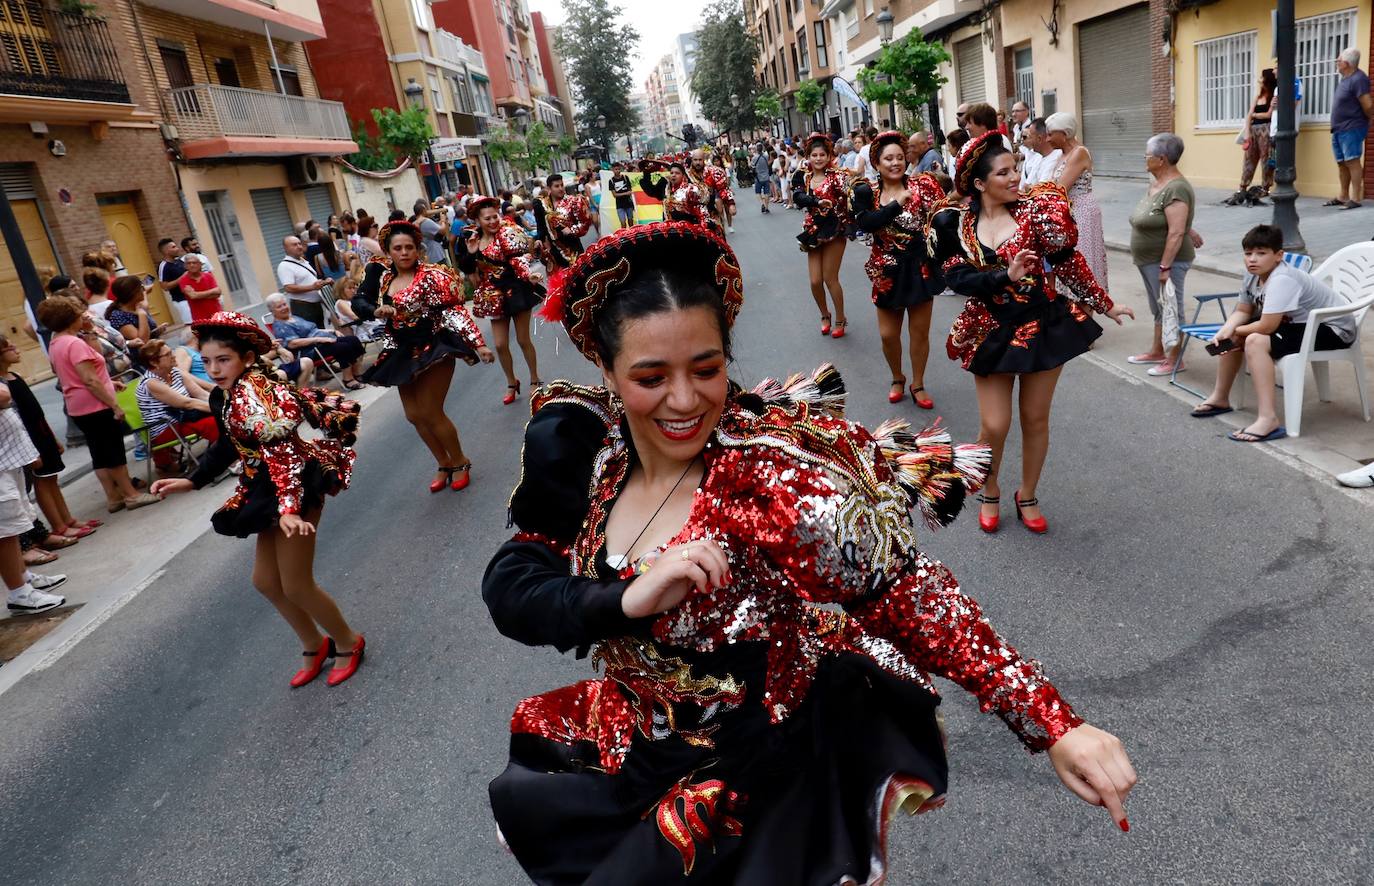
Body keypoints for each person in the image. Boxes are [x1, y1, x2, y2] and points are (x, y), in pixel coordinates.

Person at [484, 220, 1137, 883]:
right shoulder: (587, 450)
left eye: (706, 369)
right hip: (633, 749)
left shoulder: (765, 474)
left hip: (756, 777)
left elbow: (906, 593)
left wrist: (1054, 722)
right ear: (605, 366)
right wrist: (622, 598)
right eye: (651, 377)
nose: (684, 400)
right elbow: (514, 583)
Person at [930, 133, 1134, 534]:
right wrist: (1003, 276)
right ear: (978, 183)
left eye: (1016, 168)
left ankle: (1027, 493)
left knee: (1035, 418)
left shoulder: (1035, 213)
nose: (1014, 177)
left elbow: (1068, 260)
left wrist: (1105, 303)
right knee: (995, 424)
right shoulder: (954, 223)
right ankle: (990, 489)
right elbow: (956, 277)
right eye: (1003, 172)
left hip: (1041, 324)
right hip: (988, 328)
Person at [151, 312, 366, 688]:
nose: (215, 369)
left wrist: (288, 509)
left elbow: (283, 455)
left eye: (224, 360)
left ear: (247, 358)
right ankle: (314, 644)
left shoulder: (263, 395)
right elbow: (226, 446)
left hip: (298, 482)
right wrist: (193, 480)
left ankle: (348, 641)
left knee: (297, 584)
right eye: (209, 361)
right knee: (266, 582)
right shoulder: (225, 394)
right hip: (264, 488)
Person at [352, 220, 493, 489]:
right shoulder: (380, 274)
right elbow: (359, 301)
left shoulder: (432, 276)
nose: (404, 253)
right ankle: (444, 462)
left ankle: (461, 460)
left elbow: (453, 311)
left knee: (430, 411)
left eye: (409, 247)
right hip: (399, 349)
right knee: (414, 415)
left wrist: (478, 344)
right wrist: (375, 311)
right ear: (388, 251)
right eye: (398, 248)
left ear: (418, 250)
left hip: (435, 345)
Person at [1190, 225, 1356, 442]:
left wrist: (1236, 332)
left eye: (1261, 253)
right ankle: (1220, 398)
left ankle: (1268, 419)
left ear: (1278, 256)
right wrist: (1226, 331)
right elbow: (1243, 310)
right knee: (1235, 335)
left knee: (1255, 340)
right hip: (1298, 326)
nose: (1253, 259)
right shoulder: (1252, 276)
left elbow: (1267, 326)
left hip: (1333, 330)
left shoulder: (1282, 279)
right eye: (1248, 253)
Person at [36, 297, 161, 513]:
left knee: (99, 453)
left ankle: (114, 497)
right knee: (113, 451)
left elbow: (73, 375)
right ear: (69, 318)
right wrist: (114, 405)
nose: (82, 317)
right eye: (78, 314)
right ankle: (131, 495)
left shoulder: (56, 343)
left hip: (78, 406)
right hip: (95, 405)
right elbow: (90, 380)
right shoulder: (74, 343)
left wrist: (109, 383)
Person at [852, 131, 947, 408]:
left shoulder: (924, 186)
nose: (895, 163)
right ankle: (897, 377)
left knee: (919, 333)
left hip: (920, 268)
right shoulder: (866, 192)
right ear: (877, 163)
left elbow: (941, 217)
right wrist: (896, 204)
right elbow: (866, 224)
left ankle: (918, 383)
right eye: (888, 158)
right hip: (886, 271)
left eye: (899, 157)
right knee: (887, 334)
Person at [0, 335, 98, 546]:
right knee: (42, 480)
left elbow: (36, 413)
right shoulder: (3, 385)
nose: (16, 348)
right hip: (28, 438)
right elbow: (16, 417)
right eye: (9, 346)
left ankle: (67, 519)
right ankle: (58, 525)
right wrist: (30, 449)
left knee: (52, 477)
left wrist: (53, 437)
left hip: (41, 431)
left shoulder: (15, 375)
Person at [452, 199, 542, 408]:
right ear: (478, 220)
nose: (493, 221)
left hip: (516, 289)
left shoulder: (507, 232)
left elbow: (519, 258)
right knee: (500, 344)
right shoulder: (471, 238)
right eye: (488, 218)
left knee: (522, 339)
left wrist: (528, 275)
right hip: (492, 295)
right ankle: (512, 382)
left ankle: (535, 379)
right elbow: (466, 266)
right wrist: (472, 252)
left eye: (495, 216)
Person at [1128, 133, 1197, 377]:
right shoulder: (1158, 183)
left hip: (1167, 260)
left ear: (1162, 159)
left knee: (1171, 307)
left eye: (1147, 156)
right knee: (1159, 307)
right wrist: (1191, 229)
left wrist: (1165, 267)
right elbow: (1169, 220)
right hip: (1150, 259)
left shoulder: (1176, 187)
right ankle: (1158, 351)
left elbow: (1176, 232)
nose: (1144, 160)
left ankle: (1175, 358)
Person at [0, 376, 68, 615]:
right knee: (5, 533)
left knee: (14, 527)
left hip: (7, 461)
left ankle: (23, 578)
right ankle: (19, 593)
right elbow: (3, 395)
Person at [791, 133, 851, 341]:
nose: (818, 158)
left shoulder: (837, 176)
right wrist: (817, 202)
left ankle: (841, 318)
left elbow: (849, 196)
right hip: (813, 230)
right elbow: (798, 198)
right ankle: (825, 314)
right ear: (808, 156)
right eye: (814, 155)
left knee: (829, 278)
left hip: (834, 230)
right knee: (815, 281)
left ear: (828, 156)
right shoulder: (803, 176)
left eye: (822, 155)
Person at [1046, 112, 1109, 294]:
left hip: (1081, 212)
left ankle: (1084, 309)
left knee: (1082, 260)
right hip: (1070, 212)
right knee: (1068, 260)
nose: (1048, 139)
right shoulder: (1062, 155)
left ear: (1064, 134)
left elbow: (1060, 189)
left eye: (1051, 134)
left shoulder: (1079, 153)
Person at [134, 340, 219, 471]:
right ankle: (229, 459)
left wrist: (223, 403)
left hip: (182, 418)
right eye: (168, 354)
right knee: (212, 422)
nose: (173, 356)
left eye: (171, 352)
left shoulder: (174, 372)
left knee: (220, 416)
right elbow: (187, 403)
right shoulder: (151, 383)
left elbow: (201, 394)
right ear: (154, 362)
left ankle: (226, 453)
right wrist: (220, 408)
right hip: (165, 427)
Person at [266, 293, 366, 391]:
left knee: (353, 340)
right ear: (273, 311)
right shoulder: (280, 326)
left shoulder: (294, 317)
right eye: (279, 307)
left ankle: (356, 373)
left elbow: (313, 330)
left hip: (321, 342)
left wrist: (332, 331)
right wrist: (319, 339)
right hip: (309, 351)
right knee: (343, 347)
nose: (284, 308)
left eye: (284, 304)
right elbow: (292, 343)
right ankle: (348, 380)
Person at [1326, 48, 1372, 209]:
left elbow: (1367, 104)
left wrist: (1367, 119)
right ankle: (1343, 196)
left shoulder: (1359, 79)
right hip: (1339, 128)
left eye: (1338, 61)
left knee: (1352, 160)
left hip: (1352, 127)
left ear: (1346, 63)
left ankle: (1356, 198)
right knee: (1342, 163)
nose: (1336, 64)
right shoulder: (1346, 79)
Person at [1232, 69, 1277, 200]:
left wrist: (1254, 115)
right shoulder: (1257, 97)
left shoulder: (1272, 97)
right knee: (1249, 159)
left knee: (1266, 159)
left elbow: (1268, 114)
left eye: (1262, 78)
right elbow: (1248, 116)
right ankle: (1243, 186)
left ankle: (1266, 187)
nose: (1260, 80)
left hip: (1266, 129)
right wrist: (1247, 133)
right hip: (1253, 130)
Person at [534, 174, 592, 271]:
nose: (561, 188)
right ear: (549, 188)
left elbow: (585, 223)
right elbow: (540, 226)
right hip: (554, 251)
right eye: (556, 186)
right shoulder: (541, 204)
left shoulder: (572, 201)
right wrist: (539, 239)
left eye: (562, 185)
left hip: (573, 248)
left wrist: (572, 230)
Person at [276, 235, 330, 327]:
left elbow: (308, 280)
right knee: (313, 337)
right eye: (294, 245)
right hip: (303, 308)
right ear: (286, 248)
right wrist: (312, 287)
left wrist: (323, 282)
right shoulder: (284, 266)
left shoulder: (303, 261)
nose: (299, 246)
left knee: (321, 333)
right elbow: (289, 288)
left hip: (315, 306)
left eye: (299, 244)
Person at [107, 274, 164, 350]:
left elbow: (148, 332)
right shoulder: (118, 315)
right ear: (132, 293)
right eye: (141, 288)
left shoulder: (138, 305)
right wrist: (142, 315)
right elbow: (142, 340)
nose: (144, 290)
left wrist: (156, 331)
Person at [175, 254, 224, 323]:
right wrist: (212, 292)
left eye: (194, 263)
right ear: (185, 266)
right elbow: (193, 296)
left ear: (200, 264)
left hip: (217, 315)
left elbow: (218, 293)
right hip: (200, 319)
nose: (192, 265)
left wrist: (197, 295)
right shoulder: (183, 280)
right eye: (189, 263)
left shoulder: (208, 276)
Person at [156, 238, 190, 326]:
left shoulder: (180, 261)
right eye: (174, 247)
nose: (177, 248)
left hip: (192, 296)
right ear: (167, 251)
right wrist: (182, 277)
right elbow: (165, 286)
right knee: (192, 326)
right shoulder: (164, 266)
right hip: (181, 300)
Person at [1019, 118, 1060, 189]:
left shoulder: (1056, 157)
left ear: (1039, 139)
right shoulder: (1038, 157)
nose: (1029, 141)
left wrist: (1030, 188)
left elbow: (1041, 189)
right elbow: (1026, 185)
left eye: (1030, 137)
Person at [411, 199, 450, 265]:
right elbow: (442, 231)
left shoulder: (414, 223)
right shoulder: (425, 221)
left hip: (428, 255)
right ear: (423, 210)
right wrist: (443, 221)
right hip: (436, 255)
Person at [609, 162, 637, 229]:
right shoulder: (611, 181)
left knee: (631, 221)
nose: (618, 171)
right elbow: (614, 195)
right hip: (619, 205)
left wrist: (628, 193)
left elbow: (630, 190)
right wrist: (625, 193)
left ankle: (632, 235)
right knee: (623, 223)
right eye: (616, 169)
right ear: (612, 170)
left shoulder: (625, 177)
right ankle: (624, 236)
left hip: (628, 203)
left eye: (619, 169)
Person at [751, 147, 773, 213]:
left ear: (757, 150)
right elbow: (768, 163)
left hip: (758, 177)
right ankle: (766, 207)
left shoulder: (754, 157)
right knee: (767, 192)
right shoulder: (766, 156)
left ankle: (762, 203)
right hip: (766, 176)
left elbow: (752, 166)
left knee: (758, 192)